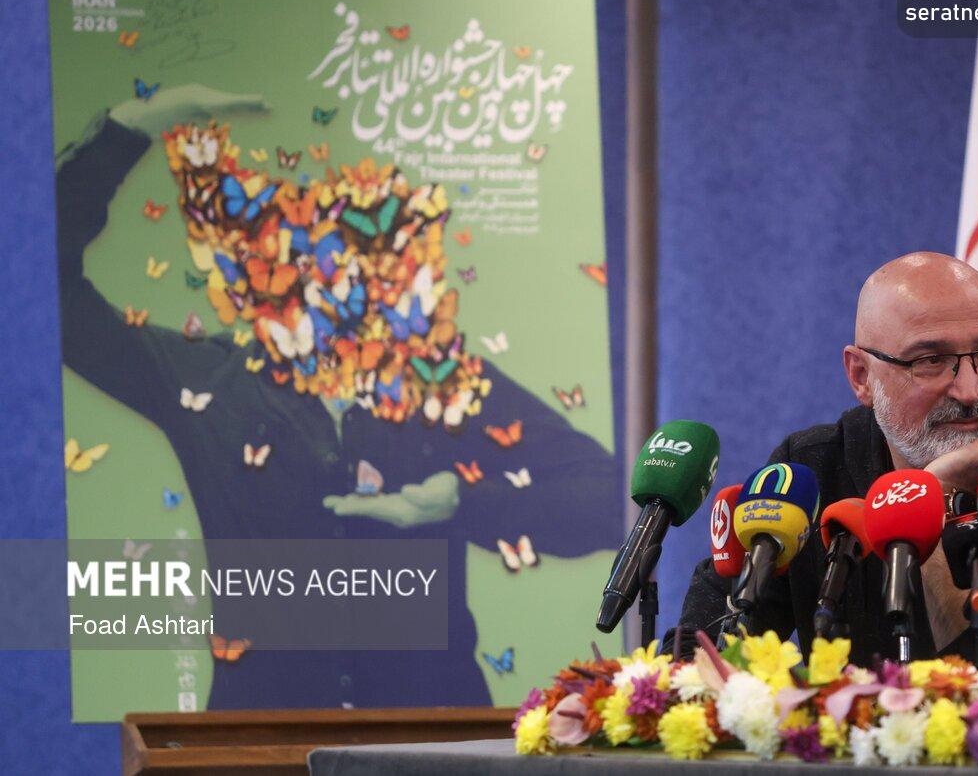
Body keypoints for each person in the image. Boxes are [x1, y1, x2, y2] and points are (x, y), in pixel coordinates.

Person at [57, 85, 620, 707]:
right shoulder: (208, 379)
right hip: (264, 735)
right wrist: (130, 127)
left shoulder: (444, 383)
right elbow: (48, 291)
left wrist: (464, 502)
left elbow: (611, 502)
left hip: (428, 732)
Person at [665, 252, 978, 665]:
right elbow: (696, 656)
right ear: (861, 376)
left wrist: (932, 495)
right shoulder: (811, 470)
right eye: (930, 360)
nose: (969, 389)